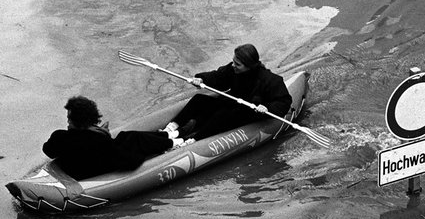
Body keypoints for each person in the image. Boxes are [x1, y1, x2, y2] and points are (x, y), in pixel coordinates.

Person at [161, 44, 292, 143]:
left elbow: (284, 102)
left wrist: (267, 108)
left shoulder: (270, 80)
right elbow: (218, 77)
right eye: (234, 61)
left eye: (238, 64)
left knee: (221, 116)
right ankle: (171, 128)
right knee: (199, 99)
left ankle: (193, 141)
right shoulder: (233, 69)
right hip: (233, 102)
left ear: (249, 66)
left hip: (250, 113)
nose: (233, 65)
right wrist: (202, 79)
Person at [42, 96, 189, 180]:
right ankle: (174, 140)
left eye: (69, 119)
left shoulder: (59, 137)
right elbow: (129, 162)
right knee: (135, 140)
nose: (67, 122)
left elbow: (48, 150)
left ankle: (171, 135)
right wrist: (145, 155)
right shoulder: (100, 141)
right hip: (94, 171)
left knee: (127, 136)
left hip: (86, 165)